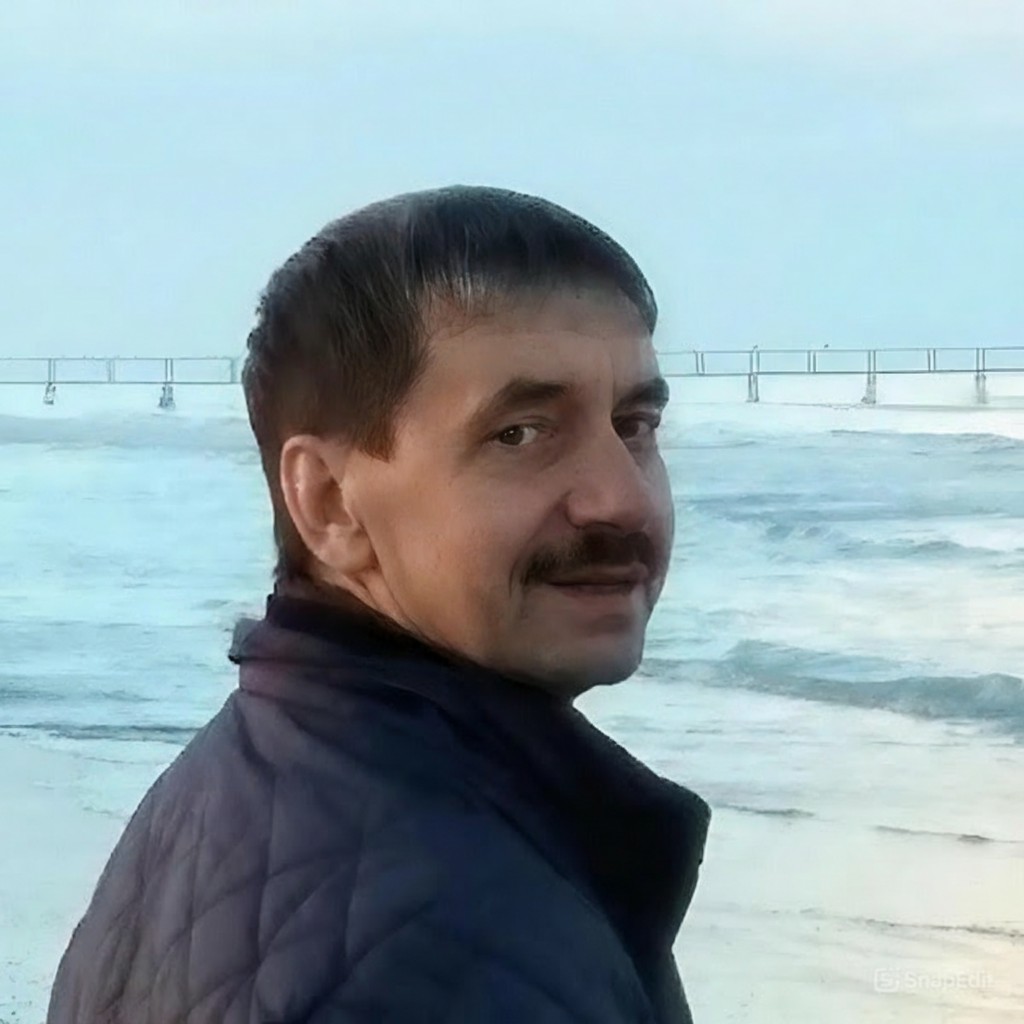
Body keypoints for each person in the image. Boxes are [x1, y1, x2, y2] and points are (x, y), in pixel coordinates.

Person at [47, 186, 711, 1023]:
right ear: (328, 503)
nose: (622, 499)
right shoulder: (449, 948)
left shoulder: (234, 779)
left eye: (634, 425)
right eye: (520, 433)